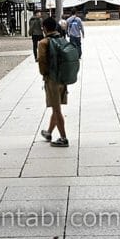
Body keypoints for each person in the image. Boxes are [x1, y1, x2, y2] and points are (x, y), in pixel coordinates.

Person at [37, 17, 70, 147]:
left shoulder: (43, 42)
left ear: (44, 28)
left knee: (56, 109)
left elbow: (42, 62)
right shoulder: (61, 40)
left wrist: (44, 74)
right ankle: (49, 132)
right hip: (64, 78)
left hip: (52, 79)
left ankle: (63, 138)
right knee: (56, 107)